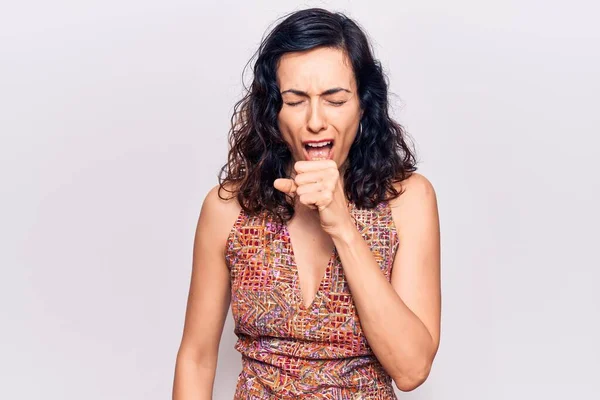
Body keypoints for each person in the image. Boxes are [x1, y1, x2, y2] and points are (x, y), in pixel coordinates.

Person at [173, 7, 441, 399]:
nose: (315, 121)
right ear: (273, 111)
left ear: (364, 106)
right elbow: (196, 358)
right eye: (296, 101)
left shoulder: (407, 200)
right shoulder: (228, 208)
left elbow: (412, 369)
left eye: (335, 99)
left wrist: (342, 226)